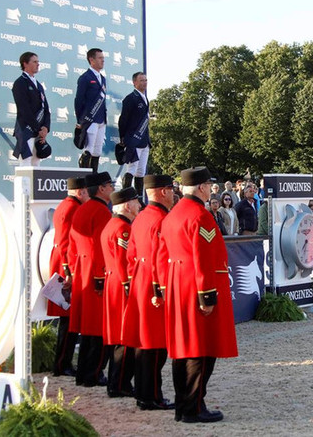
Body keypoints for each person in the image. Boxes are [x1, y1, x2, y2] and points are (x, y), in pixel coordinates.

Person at [155, 167, 237, 424]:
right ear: (202, 187)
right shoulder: (199, 216)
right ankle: (193, 406)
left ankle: (184, 405)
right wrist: (207, 296)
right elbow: (202, 257)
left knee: (183, 348)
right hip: (196, 287)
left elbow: (163, 255)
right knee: (201, 350)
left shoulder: (172, 215)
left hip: (178, 284)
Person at [122, 175, 175, 411]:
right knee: (155, 347)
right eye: (171, 190)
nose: (174, 194)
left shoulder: (141, 217)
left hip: (140, 284)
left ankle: (145, 393)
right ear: (162, 192)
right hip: (155, 288)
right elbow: (160, 259)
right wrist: (161, 289)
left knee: (145, 344)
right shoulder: (161, 219)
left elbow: (131, 256)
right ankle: (151, 395)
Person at [69, 171, 114, 386]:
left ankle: (85, 372)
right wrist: (100, 278)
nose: (112, 188)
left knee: (88, 329)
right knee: (98, 329)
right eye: (109, 185)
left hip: (82, 270)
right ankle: (92, 374)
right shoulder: (101, 211)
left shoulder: (83, 209)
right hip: (96, 273)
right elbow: (99, 248)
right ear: (102, 188)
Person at [101, 187, 140, 398]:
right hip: (123, 285)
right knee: (125, 337)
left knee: (119, 336)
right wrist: (129, 284)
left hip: (113, 283)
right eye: (135, 202)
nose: (139, 206)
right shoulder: (123, 228)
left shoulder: (113, 224)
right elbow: (123, 261)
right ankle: (120, 383)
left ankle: (118, 382)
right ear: (127, 205)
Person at [48, 176, 88, 377]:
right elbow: (65, 243)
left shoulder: (65, 205)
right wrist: (69, 272)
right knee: (68, 319)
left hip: (63, 261)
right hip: (66, 265)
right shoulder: (72, 208)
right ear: (80, 192)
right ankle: (62, 363)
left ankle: (62, 362)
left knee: (68, 320)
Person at [11, 51, 50, 166]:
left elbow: (46, 108)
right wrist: (39, 129)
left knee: (36, 164)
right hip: (26, 130)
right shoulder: (20, 83)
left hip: (39, 132)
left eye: (38, 62)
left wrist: (46, 128)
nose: (38, 64)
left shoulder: (39, 85)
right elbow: (24, 110)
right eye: (34, 62)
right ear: (25, 64)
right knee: (26, 163)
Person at [118, 72, 151, 197]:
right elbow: (123, 119)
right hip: (134, 139)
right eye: (141, 80)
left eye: (146, 80)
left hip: (144, 140)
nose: (144, 82)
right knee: (132, 168)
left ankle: (139, 198)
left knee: (141, 171)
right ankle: (126, 196)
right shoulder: (130, 98)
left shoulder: (145, 97)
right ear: (134, 82)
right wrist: (123, 137)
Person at [75, 48, 107, 171]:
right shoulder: (85, 77)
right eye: (100, 58)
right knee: (89, 149)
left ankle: (94, 181)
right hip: (90, 119)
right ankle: (84, 179)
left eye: (103, 58)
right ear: (91, 60)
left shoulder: (102, 78)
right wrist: (81, 120)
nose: (102, 60)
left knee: (97, 151)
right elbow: (79, 100)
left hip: (101, 120)